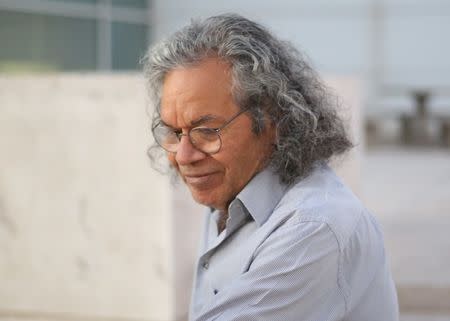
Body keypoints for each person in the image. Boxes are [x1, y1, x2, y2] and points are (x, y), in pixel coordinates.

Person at [144, 13, 399, 321]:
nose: (183, 156)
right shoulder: (230, 193)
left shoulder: (314, 227)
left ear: (272, 119)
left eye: (206, 131)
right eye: (174, 132)